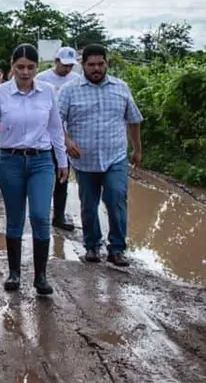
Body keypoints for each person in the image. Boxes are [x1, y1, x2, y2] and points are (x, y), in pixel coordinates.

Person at [0, 44, 69, 295]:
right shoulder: (0, 93)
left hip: (41, 160)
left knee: (40, 215)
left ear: (37, 67)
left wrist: (62, 161)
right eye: (20, 67)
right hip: (10, 160)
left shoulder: (48, 92)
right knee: (15, 217)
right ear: (12, 65)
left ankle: (40, 276)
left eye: (30, 67)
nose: (26, 72)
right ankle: (14, 272)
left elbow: (55, 129)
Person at [58, 44, 143, 267]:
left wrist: (137, 149)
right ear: (82, 65)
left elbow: (134, 119)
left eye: (100, 64)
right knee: (88, 204)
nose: (96, 68)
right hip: (84, 160)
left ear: (107, 63)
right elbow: (55, 121)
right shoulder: (70, 90)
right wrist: (67, 142)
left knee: (116, 200)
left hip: (115, 157)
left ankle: (117, 249)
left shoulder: (121, 87)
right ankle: (92, 246)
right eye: (91, 65)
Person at [35, 46, 83, 232]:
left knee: (62, 177)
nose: (68, 69)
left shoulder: (76, 81)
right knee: (46, 176)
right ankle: (41, 213)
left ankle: (59, 215)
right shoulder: (42, 79)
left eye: (71, 65)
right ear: (56, 61)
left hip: (65, 137)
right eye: (65, 65)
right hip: (44, 137)